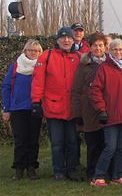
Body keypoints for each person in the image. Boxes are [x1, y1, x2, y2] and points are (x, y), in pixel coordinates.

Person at [31, 27, 81, 181]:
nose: (66, 41)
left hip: (72, 108)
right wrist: (36, 101)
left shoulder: (79, 57)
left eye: (69, 38)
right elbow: (38, 81)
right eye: (63, 38)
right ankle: (58, 171)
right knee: (57, 143)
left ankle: (72, 169)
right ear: (57, 40)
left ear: (73, 40)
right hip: (54, 107)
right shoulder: (47, 56)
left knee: (73, 142)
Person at [89, 39, 122, 186]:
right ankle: (98, 176)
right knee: (110, 147)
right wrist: (101, 109)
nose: (118, 52)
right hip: (110, 114)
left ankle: (118, 175)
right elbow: (95, 90)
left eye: (121, 49)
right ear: (110, 50)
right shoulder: (104, 67)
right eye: (115, 49)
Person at [2, 39, 43, 180]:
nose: (34, 53)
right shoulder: (15, 67)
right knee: (20, 140)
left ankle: (31, 167)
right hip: (18, 108)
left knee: (33, 139)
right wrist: (6, 108)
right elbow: (6, 87)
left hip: (35, 108)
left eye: (37, 51)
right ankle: (19, 168)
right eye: (31, 50)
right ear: (25, 51)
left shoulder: (41, 67)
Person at [71, 32, 107, 180]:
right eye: (95, 45)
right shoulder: (83, 65)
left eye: (100, 45)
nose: (98, 48)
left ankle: (105, 172)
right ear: (90, 47)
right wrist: (77, 114)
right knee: (93, 145)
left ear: (105, 47)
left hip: (106, 109)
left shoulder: (110, 63)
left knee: (106, 144)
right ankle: (92, 172)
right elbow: (76, 90)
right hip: (88, 110)